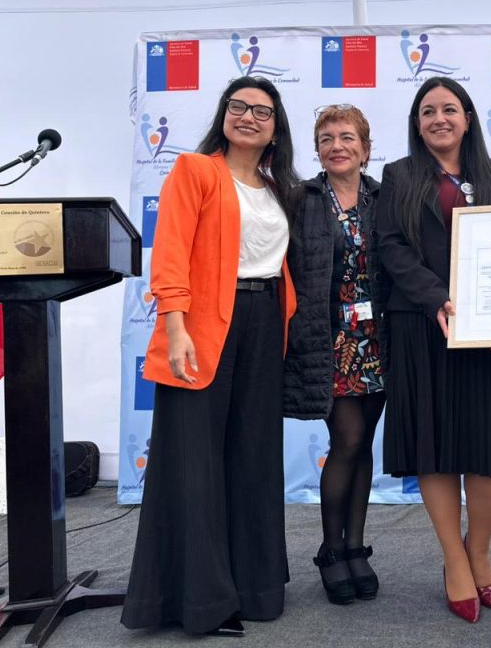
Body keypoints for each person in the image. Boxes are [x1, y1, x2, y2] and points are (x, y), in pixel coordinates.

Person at [121, 76, 299, 636]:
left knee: (254, 459)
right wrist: (175, 327)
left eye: (262, 111)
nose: (248, 116)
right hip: (202, 327)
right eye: (238, 106)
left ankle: (256, 587)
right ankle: (201, 599)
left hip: (265, 323)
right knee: (196, 463)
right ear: (223, 115)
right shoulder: (195, 170)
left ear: (276, 129)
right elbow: (170, 252)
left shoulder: (278, 188)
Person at [377, 76, 491, 624]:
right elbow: (392, 248)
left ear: (468, 119)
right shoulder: (399, 175)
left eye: (449, 109)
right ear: (417, 124)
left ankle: (480, 550)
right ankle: (453, 558)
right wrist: (439, 300)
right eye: (427, 111)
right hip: (425, 326)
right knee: (435, 443)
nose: (438, 119)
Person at [282, 104, 387, 605]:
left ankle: (354, 547)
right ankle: (330, 549)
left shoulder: (384, 198)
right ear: (318, 150)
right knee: (346, 439)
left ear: (365, 148)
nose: (337, 146)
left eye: (347, 137)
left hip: (379, 341)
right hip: (328, 341)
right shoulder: (299, 199)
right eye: (326, 139)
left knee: (364, 444)